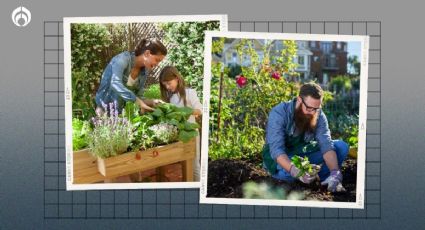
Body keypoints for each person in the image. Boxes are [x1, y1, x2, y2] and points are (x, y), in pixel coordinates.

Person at [263, 82, 349, 192]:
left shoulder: (318, 114)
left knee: (341, 147)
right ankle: (299, 177)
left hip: (303, 155)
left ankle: (325, 179)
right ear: (299, 100)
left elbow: (326, 144)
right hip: (282, 157)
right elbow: (276, 150)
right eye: (309, 108)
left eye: (316, 108)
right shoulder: (279, 113)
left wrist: (335, 172)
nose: (312, 112)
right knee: (287, 173)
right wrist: (295, 171)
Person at [95, 38, 167, 115]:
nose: (157, 64)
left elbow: (138, 97)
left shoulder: (144, 72)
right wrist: (137, 101)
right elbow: (115, 83)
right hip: (104, 111)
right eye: (157, 60)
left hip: (122, 115)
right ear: (147, 53)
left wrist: (152, 102)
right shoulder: (122, 59)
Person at [159, 66, 202, 181]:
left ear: (177, 78)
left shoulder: (189, 93)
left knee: (194, 166)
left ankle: (199, 189)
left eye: (169, 83)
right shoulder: (170, 97)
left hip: (191, 134)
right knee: (184, 165)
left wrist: (184, 112)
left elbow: (200, 110)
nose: (168, 87)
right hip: (179, 136)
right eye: (165, 85)